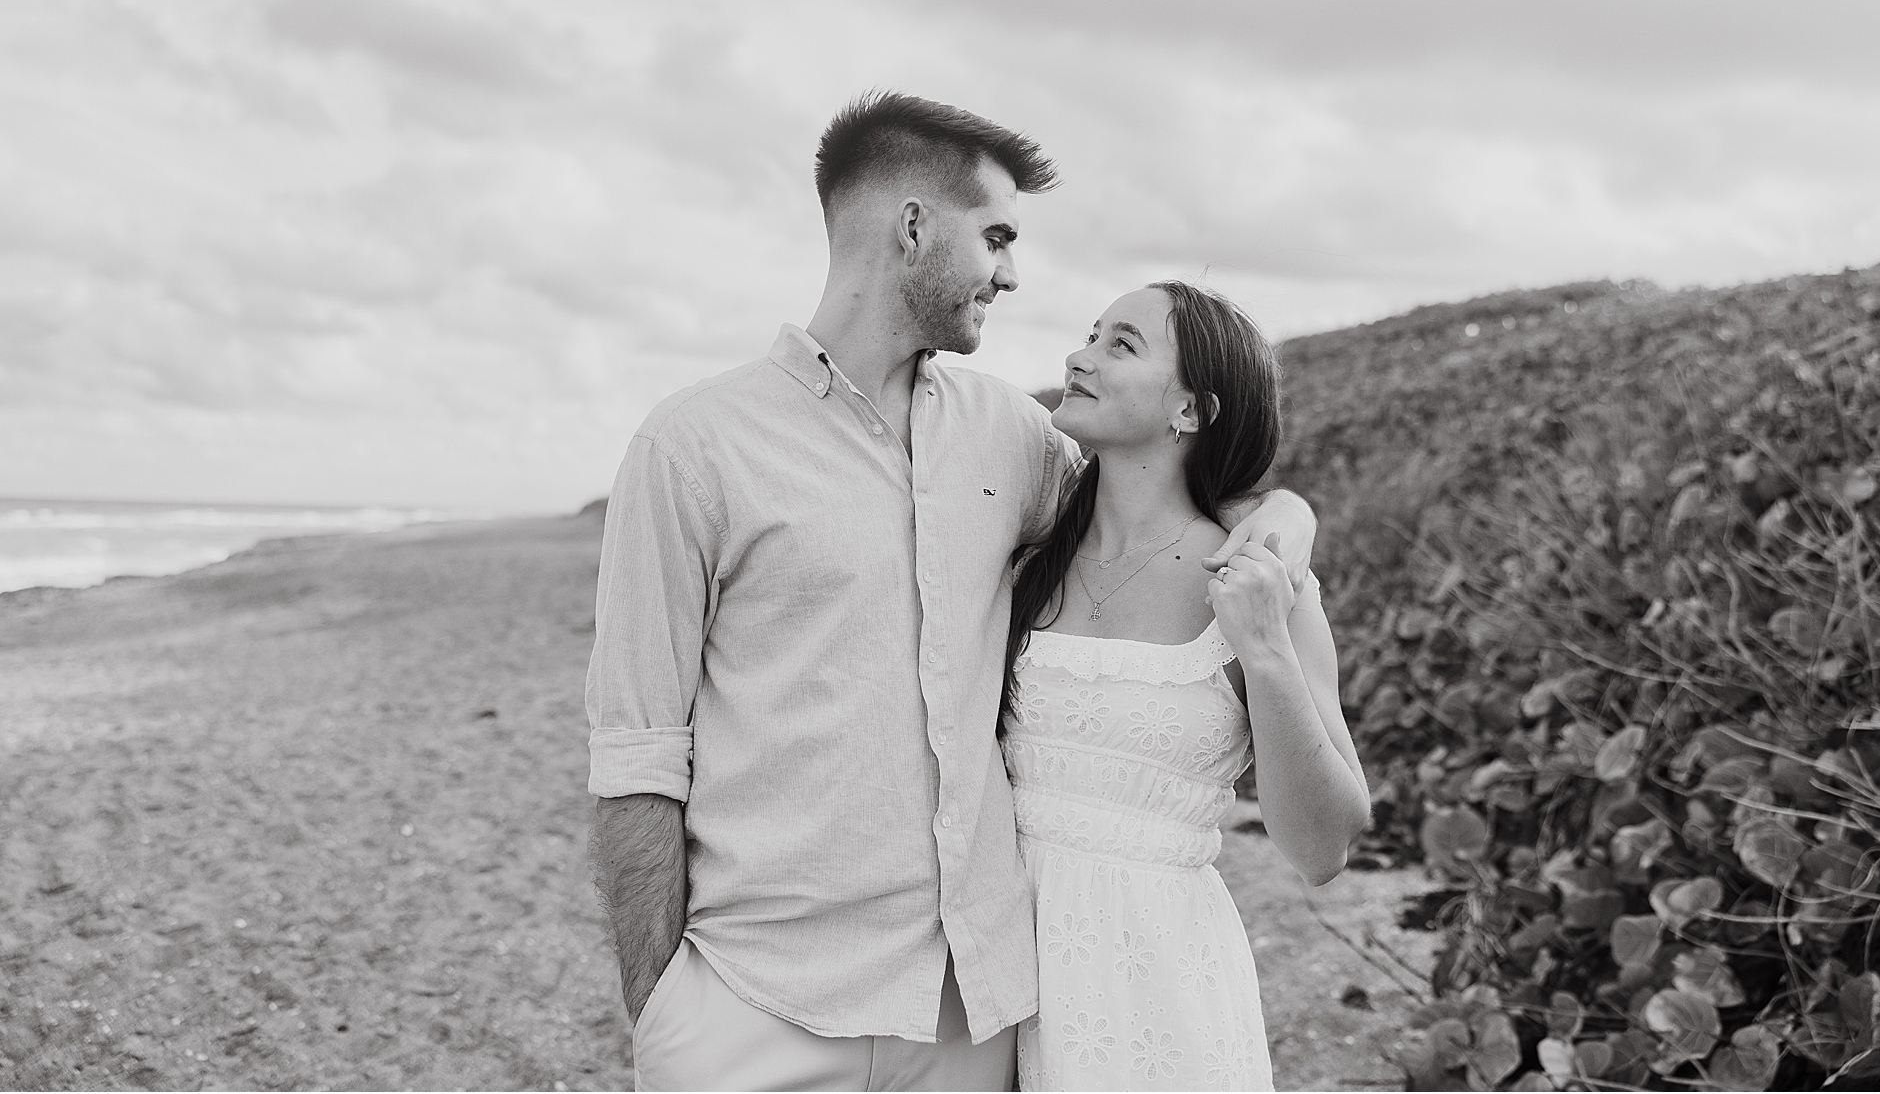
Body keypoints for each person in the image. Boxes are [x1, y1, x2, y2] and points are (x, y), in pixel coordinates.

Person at [584, 92, 1318, 1092]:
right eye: (997, 237)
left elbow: (1165, 503)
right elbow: (637, 753)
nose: (1012, 275)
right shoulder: (692, 446)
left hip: (969, 1018)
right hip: (756, 1008)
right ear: (914, 227)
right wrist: (663, 1005)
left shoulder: (1010, 435)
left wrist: (1286, 519)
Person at [1001, 281, 1370, 1091]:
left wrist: (1267, 652)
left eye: (1120, 344)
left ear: (1191, 412)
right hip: (997, 986)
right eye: (1090, 333)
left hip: (1161, 995)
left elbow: (1325, 848)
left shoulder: (1262, 584)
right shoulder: (1021, 559)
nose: (1080, 355)